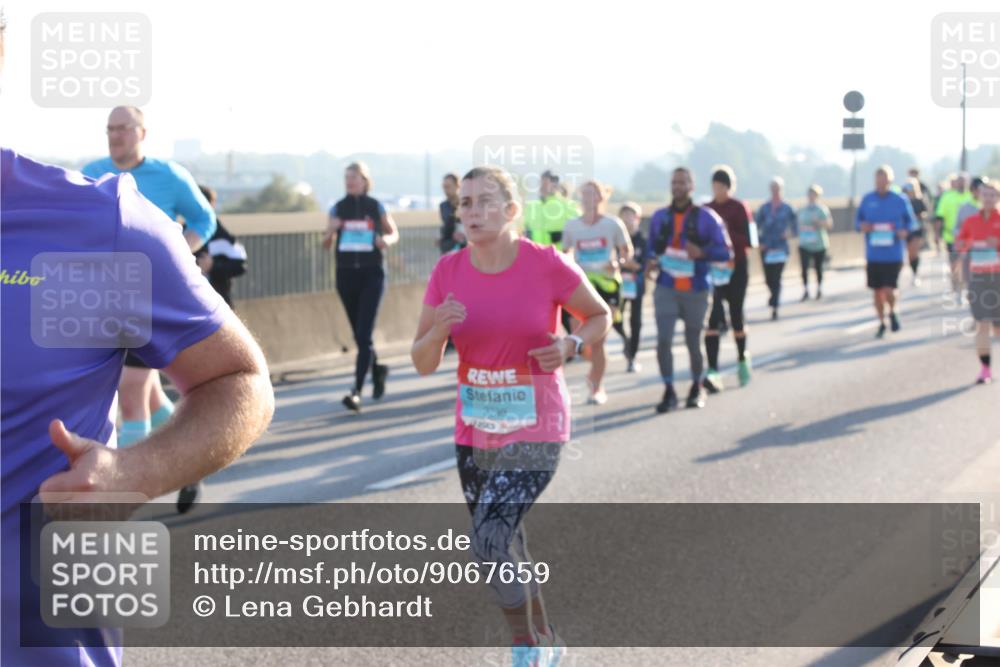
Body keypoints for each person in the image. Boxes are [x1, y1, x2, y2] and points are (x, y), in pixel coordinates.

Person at [1, 147, 274, 667]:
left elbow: (240, 379)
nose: (117, 134)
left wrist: (134, 471)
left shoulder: (104, 222)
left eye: (126, 127)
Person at [411, 166, 610, 667]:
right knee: (505, 542)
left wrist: (570, 343)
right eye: (466, 203)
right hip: (475, 429)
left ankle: (525, 649)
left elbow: (599, 315)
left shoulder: (546, 264)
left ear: (511, 210)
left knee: (489, 538)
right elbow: (421, 360)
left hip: (537, 424)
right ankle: (547, 639)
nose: (472, 212)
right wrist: (439, 331)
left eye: (484, 202)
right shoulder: (448, 272)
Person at [82, 105, 219, 513]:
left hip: (151, 300)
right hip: (105, 300)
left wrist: (179, 258)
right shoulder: (93, 171)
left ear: (143, 132)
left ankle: (122, 500)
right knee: (151, 395)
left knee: (130, 395)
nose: (115, 135)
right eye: (110, 128)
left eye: (123, 128)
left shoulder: (170, 176)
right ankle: (191, 463)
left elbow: (203, 219)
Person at [646, 167, 733, 413]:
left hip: (696, 289)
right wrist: (650, 261)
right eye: (674, 182)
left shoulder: (707, 217)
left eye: (683, 182)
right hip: (666, 286)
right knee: (663, 340)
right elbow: (651, 248)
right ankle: (669, 390)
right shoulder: (660, 217)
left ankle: (697, 386)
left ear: (692, 186)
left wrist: (702, 253)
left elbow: (726, 252)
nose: (678, 186)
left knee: (693, 341)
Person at [322, 162, 399, 412]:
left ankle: (356, 391)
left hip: (372, 275)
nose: (350, 181)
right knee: (359, 335)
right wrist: (330, 232)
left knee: (364, 336)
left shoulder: (375, 206)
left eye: (354, 177)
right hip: (346, 275)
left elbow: (393, 232)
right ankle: (377, 370)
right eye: (346, 178)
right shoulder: (337, 208)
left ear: (365, 180)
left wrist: (384, 240)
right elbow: (325, 243)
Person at [562, 181, 633, 403]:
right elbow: (565, 254)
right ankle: (594, 371)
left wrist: (618, 262)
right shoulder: (572, 226)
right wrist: (570, 265)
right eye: (584, 195)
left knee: (599, 339)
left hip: (608, 284)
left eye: (593, 194)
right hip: (583, 286)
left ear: (602, 198)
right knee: (581, 341)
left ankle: (597, 387)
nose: (588, 199)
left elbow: (627, 251)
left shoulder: (613, 224)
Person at [703, 166, 756, 393]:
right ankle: (713, 370)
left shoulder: (740, 208)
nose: (718, 191)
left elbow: (750, 239)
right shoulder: (706, 210)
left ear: (729, 187)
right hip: (714, 271)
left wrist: (725, 233)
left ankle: (742, 358)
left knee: (736, 315)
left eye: (722, 187)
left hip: (737, 269)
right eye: (715, 187)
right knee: (713, 317)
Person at [856, 165, 916, 338]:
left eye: (885, 179)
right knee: (877, 291)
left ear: (890, 180)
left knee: (889, 289)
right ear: (875, 180)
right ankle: (882, 321)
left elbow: (910, 223)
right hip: (874, 253)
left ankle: (893, 311)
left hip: (893, 253)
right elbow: (857, 223)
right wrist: (863, 226)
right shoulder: (867, 199)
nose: (881, 182)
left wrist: (904, 231)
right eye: (878, 178)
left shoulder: (900, 199)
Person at [955, 178, 1000, 385]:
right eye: (985, 195)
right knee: (982, 325)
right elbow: (960, 244)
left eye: (993, 195)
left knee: (998, 328)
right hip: (979, 279)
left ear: (997, 198)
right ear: (979, 197)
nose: (989, 199)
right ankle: (985, 369)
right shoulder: (971, 221)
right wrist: (966, 244)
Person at [195, 184, 248, 308]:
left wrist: (214, 266)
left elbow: (241, 265)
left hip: (220, 305)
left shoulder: (222, 235)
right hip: (191, 305)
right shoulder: (181, 231)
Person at [755, 176, 798, 320]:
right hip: (766, 247)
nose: (775, 191)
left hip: (780, 247)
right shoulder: (764, 208)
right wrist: (758, 242)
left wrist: (789, 233)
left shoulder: (788, 208)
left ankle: (775, 304)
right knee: (768, 278)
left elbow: (796, 227)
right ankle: (773, 295)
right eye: (773, 188)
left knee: (777, 277)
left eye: (777, 188)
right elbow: (755, 226)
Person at [619, 202, 646, 373]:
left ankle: (632, 356)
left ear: (637, 218)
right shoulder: (617, 238)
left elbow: (644, 263)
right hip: (619, 284)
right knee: (615, 319)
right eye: (624, 215)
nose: (628, 219)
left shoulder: (642, 239)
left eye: (631, 215)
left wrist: (633, 265)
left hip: (637, 284)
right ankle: (626, 340)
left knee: (635, 321)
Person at [936, 173, 974, 297]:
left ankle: (966, 288)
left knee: (967, 265)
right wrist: (937, 234)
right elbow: (940, 216)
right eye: (959, 181)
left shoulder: (972, 196)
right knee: (954, 265)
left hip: (971, 239)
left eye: (964, 181)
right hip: (951, 237)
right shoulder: (947, 196)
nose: (962, 183)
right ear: (955, 183)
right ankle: (956, 287)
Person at [796, 184, 833, 300]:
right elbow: (797, 224)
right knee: (804, 267)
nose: (811, 196)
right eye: (810, 194)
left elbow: (829, 224)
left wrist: (819, 222)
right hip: (805, 243)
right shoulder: (803, 209)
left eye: (814, 194)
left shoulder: (821, 209)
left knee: (818, 267)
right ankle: (806, 289)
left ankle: (819, 288)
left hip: (819, 243)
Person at [901, 178, 929, 286]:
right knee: (910, 254)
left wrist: (919, 216)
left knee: (914, 251)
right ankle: (913, 272)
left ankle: (915, 274)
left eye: (911, 187)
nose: (909, 189)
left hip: (917, 229)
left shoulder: (919, 200)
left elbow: (925, 213)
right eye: (907, 187)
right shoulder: (903, 200)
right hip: (907, 230)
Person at [439, 172, 466, 255]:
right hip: (450, 247)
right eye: (444, 187)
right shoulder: (443, 206)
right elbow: (446, 228)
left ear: (458, 186)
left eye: (448, 187)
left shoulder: (466, 203)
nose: (446, 190)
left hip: (467, 246)